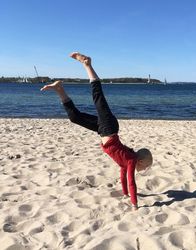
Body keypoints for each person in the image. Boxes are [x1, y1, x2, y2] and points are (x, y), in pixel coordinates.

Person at [41, 52, 153, 210]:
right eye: (145, 168)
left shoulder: (126, 162)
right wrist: (134, 204)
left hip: (103, 130)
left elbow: (123, 178)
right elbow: (131, 181)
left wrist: (125, 194)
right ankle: (87, 64)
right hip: (109, 127)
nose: (143, 170)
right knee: (98, 98)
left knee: (75, 117)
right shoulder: (131, 161)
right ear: (141, 161)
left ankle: (59, 89)